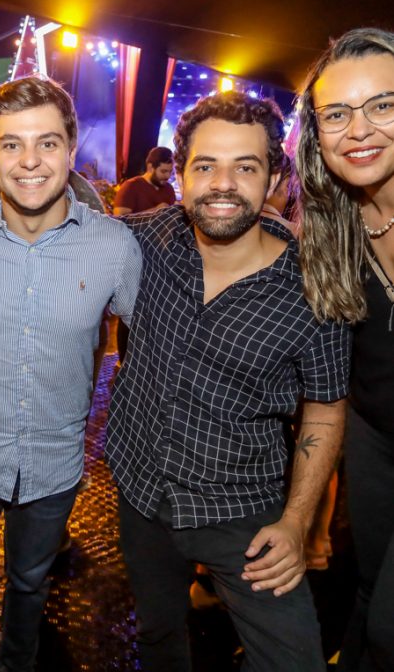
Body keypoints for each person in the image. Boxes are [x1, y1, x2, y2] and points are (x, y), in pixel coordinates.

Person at [106, 91, 351, 671]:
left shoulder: (314, 289)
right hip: (140, 492)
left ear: (272, 179)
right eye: (205, 166)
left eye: (245, 166)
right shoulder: (145, 240)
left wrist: (297, 521)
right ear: (179, 176)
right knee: (161, 638)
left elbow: (326, 408)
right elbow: (60, 219)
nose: (223, 183)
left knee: (293, 661)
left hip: (242, 512)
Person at [0, 75, 142, 672]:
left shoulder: (113, 247)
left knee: (30, 585)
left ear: (72, 150)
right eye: (11, 145)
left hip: (55, 461)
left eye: (46, 143)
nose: (30, 161)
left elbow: (150, 343)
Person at [295, 26, 394, 672]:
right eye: (337, 114)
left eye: (384, 105)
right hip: (375, 432)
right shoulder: (331, 230)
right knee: (368, 585)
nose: (358, 130)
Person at [112, 146, 176, 215]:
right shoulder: (131, 186)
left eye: (170, 172)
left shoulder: (169, 189)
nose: (168, 176)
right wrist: (154, 211)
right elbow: (119, 220)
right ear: (150, 167)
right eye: (163, 171)